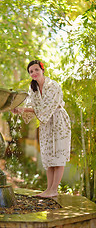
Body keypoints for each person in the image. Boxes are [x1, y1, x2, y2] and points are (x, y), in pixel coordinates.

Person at [12, 60, 71, 197]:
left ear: (42, 70)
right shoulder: (33, 89)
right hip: (45, 124)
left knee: (58, 154)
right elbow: (32, 107)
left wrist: (24, 109)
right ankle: (49, 189)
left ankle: (54, 189)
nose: (34, 73)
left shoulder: (53, 86)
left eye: (36, 70)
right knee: (48, 156)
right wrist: (20, 109)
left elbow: (45, 108)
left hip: (58, 121)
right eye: (31, 71)